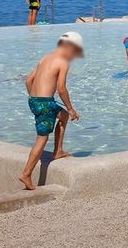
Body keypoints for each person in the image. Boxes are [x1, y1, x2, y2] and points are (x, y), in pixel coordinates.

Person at [19, 31, 83, 190]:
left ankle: (58, 151)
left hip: (34, 100)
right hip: (45, 103)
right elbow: (61, 88)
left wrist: (35, 100)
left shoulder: (45, 57)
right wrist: (71, 108)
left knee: (63, 116)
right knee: (42, 138)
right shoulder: (63, 62)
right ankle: (26, 173)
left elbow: (28, 80)